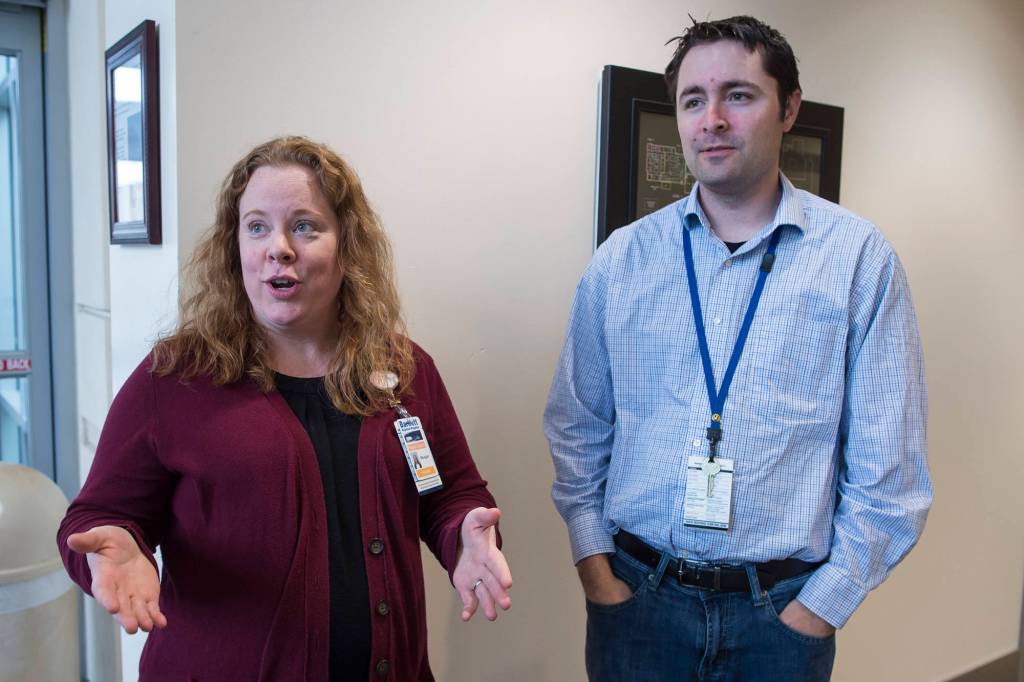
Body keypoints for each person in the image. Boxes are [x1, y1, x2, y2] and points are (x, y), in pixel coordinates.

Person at [544, 15, 930, 681]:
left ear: (789, 109)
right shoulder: (622, 261)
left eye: (739, 96)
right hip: (637, 604)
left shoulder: (858, 262)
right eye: (693, 100)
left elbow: (888, 472)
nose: (712, 120)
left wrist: (819, 609)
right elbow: (578, 427)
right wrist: (597, 573)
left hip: (779, 618)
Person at [58, 136, 512, 681]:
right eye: (256, 227)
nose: (279, 248)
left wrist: (465, 534)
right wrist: (112, 547)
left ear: (347, 245)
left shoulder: (405, 369)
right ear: (235, 247)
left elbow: (450, 494)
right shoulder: (175, 378)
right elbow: (95, 517)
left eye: (304, 226)